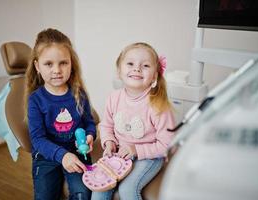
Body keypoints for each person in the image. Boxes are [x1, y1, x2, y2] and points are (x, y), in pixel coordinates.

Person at [91, 42, 175, 200]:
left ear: (154, 76)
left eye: (145, 65)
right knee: (99, 189)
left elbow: (167, 144)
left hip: (149, 156)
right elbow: (106, 125)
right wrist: (109, 142)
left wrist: (136, 150)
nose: (136, 68)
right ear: (119, 71)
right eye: (130, 63)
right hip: (119, 154)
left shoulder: (158, 106)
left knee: (128, 190)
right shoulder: (114, 98)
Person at [24, 28, 96, 200]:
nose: (57, 70)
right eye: (49, 64)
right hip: (46, 156)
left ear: (71, 64)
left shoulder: (79, 94)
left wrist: (90, 136)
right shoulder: (36, 100)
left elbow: (89, 123)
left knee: (83, 194)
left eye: (63, 63)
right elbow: (38, 139)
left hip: (77, 152)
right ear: (37, 66)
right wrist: (62, 155)